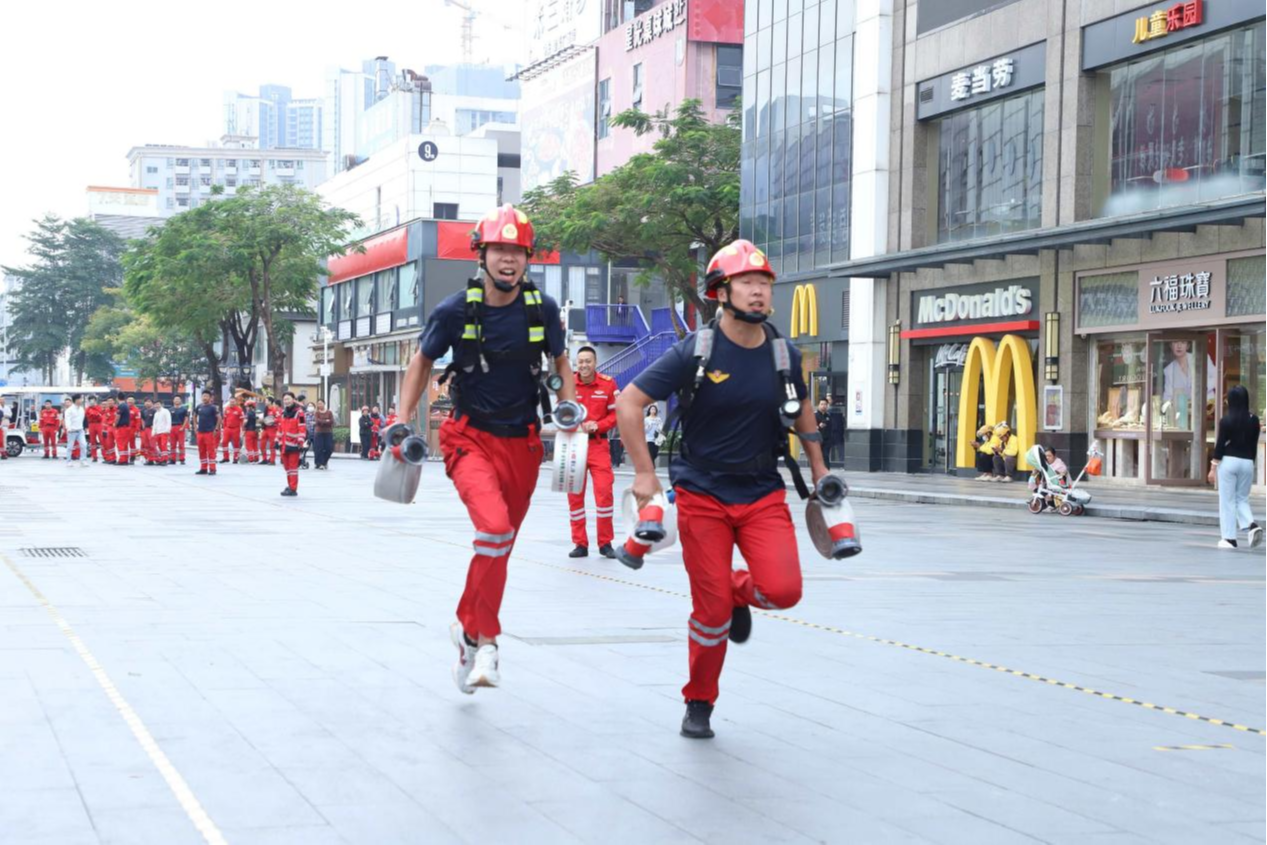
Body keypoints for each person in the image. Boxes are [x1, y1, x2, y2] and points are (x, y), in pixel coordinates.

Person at [615, 239, 826, 740]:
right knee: (709, 615)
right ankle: (699, 701)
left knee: (783, 591)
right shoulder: (695, 351)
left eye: (764, 283)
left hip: (762, 492)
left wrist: (820, 470)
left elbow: (800, 409)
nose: (758, 291)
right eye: (747, 282)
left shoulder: (784, 354)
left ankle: (734, 591)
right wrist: (645, 473)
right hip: (701, 493)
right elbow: (629, 402)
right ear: (721, 292)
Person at [399, 203, 576, 695]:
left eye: (517, 251)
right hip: (469, 437)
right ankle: (488, 642)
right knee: (494, 530)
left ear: (528, 258)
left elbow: (561, 361)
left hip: (523, 445)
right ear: (482, 254)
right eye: (499, 249)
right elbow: (421, 362)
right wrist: (400, 421)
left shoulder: (543, 310)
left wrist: (569, 412)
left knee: (499, 547)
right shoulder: (454, 310)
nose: (508, 259)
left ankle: (466, 630)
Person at [567, 346, 620, 559]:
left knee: (604, 493)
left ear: (595, 363)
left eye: (588, 361)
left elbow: (616, 414)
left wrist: (598, 425)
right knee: (574, 498)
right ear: (576, 363)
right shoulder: (568, 384)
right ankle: (580, 543)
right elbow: (560, 413)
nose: (584, 365)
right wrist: (574, 425)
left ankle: (605, 543)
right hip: (573, 445)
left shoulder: (608, 384)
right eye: (580, 361)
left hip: (598, 445)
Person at [1210, 385, 1263, 551]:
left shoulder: (1226, 420)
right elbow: (1253, 445)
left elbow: (1220, 446)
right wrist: (1250, 462)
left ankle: (1229, 539)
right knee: (1242, 499)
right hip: (1247, 462)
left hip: (1228, 462)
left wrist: (1213, 468)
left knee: (1227, 501)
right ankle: (1251, 524)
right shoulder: (1254, 420)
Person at [278, 392, 306, 497]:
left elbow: (302, 426)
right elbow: (280, 427)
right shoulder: (282, 413)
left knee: (293, 468)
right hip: (284, 444)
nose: (286, 401)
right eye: (285, 399)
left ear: (293, 399)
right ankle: (290, 485)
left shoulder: (300, 413)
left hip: (294, 444)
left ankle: (293, 488)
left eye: (288, 399)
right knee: (287, 467)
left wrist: (300, 441)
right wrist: (277, 440)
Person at [194, 390, 220, 476]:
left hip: (209, 432)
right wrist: (195, 427)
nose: (204, 398)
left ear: (210, 398)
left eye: (206, 396)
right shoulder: (199, 407)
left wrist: (216, 429)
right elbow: (194, 416)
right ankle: (203, 468)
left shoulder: (213, 407)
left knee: (211, 450)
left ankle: (212, 468)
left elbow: (219, 418)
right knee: (201, 450)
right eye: (203, 396)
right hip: (200, 432)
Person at [62, 395, 89, 468]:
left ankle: (83, 460)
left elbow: (83, 419)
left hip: (80, 430)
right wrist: (69, 428)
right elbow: (67, 420)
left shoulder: (82, 409)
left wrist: (84, 427)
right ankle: (68, 461)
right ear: (76, 400)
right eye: (80, 399)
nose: (81, 400)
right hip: (72, 431)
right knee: (70, 447)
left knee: (84, 445)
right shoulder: (69, 410)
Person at [220, 396, 245, 464]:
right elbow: (224, 419)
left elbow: (242, 420)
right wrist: (224, 428)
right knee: (224, 442)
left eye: (233, 402)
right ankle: (226, 457)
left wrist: (242, 429)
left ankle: (235, 458)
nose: (232, 403)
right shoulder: (226, 409)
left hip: (236, 429)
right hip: (227, 428)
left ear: (235, 402)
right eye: (231, 402)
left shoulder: (239, 410)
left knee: (236, 444)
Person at [313, 400, 335, 470]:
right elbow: (317, 421)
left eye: (321, 403)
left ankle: (324, 461)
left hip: (328, 432)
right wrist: (326, 421)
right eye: (318, 403)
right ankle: (320, 463)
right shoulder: (316, 413)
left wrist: (323, 422)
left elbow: (332, 421)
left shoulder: (329, 412)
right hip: (319, 432)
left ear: (324, 404)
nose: (320, 405)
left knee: (329, 448)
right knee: (319, 448)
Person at [113, 395, 133, 466]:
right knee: (125, 444)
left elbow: (118, 416)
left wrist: (115, 424)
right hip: (126, 427)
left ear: (117, 398)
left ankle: (122, 459)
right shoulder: (126, 406)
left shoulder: (121, 406)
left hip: (121, 428)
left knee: (120, 444)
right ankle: (125, 459)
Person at [169, 396, 189, 465]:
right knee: (172, 444)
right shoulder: (170, 409)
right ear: (173, 401)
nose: (177, 400)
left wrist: (183, 427)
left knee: (181, 444)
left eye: (178, 399)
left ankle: (182, 458)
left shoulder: (184, 409)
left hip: (180, 427)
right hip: (172, 427)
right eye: (175, 399)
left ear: (180, 401)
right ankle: (172, 459)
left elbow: (186, 419)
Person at [152, 400, 172, 467]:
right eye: (155, 404)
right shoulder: (156, 413)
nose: (157, 405)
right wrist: (153, 431)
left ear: (161, 404)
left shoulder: (165, 411)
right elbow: (154, 423)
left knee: (164, 445)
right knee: (159, 446)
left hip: (164, 431)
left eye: (158, 404)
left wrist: (167, 429)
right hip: (158, 431)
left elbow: (168, 420)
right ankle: (161, 459)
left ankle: (165, 459)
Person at [260, 399, 280, 465]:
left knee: (272, 446)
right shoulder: (265, 409)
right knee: (262, 445)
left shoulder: (274, 410)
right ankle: (264, 459)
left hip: (272, 429)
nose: (265, 402)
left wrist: (272, 421)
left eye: (266, 401)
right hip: (265, 428)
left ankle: (272, 460)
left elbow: (279, 418)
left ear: (270, 402)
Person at [85, 397, 103, 462]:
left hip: (99, 424)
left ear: (95, 401)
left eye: (93, 401)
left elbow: (99, 415)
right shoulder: (87, 409)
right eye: (90, 401)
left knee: (102, 440)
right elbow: (87, 416)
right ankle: (94, 456)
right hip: (91, 424)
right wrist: (94, 414)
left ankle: (105, 455)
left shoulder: (99, 407)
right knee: (92, 441)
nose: (92, 402)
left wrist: (93, 413)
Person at [101, 398, 118, 465]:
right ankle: (112, 458)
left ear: (114, 402)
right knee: (109, 444)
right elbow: (105, 421)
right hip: (109, 428)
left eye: (111, 401)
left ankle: (122, 459)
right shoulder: (107, 411)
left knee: (119, 444)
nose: (110, 403)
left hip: (116, 428)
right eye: (109, 402)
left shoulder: (117, 409)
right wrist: (104, 430)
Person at [140, 399, 157, 465]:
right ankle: (149, 459)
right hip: (145, 429)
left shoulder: (155, 411)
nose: (147, 403)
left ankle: (155, 458)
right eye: (146, 402)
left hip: (152, 429)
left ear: (152, 403)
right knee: (146, 444)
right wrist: (143, 427)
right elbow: (142, 419)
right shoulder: (143, 411)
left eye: (149, 402)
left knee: (152, 444)